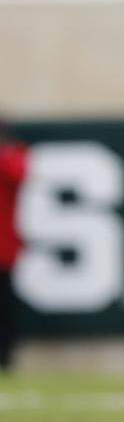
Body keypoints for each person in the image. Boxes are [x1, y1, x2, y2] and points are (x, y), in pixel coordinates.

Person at [0, 121, 28, 372]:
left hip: (3, 248)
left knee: (6, 305)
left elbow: (19, 172)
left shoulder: (12, 154)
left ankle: (6, 356)